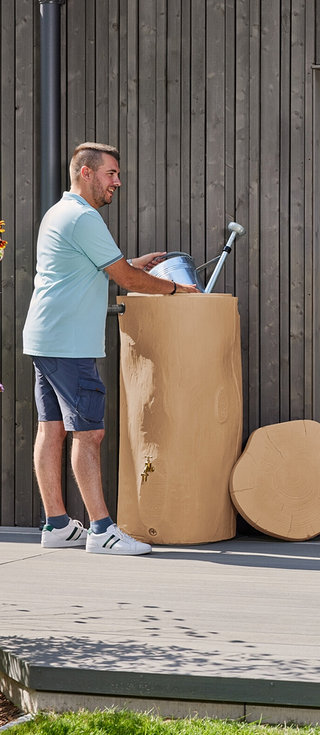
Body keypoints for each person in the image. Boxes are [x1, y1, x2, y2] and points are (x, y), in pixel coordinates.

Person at [22, 142, 201, 555]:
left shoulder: (60, 212)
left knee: (51, 430)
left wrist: (132, 262)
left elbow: (94, 267)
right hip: (67, 343)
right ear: (86, 173)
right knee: (90, 432)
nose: (117, 182)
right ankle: (102, 530)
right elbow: (126, 280)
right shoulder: (84, 218)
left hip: (46, 337)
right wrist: (176, 288)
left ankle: (57, 525)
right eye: (111, 174)